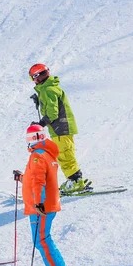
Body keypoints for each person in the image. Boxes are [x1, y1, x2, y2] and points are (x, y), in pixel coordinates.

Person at [13, 124, 69, 266]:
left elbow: (39, 182)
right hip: (45, 205)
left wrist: (38, 203)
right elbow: (34, 179)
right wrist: (22, 178)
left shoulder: (37, 155)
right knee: (43, 239)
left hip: (41, 207)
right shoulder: (46, 154)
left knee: (42, 240)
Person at [29, 63, 91, 194]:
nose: (34, 81)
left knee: (64, 154)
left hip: (60, 127)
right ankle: (73, 179)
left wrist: (42, 123)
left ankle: (76, 181)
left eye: (34, 78)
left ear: (39, 76)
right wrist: (39, 100)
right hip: (61, 127)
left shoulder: (48, 90)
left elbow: (52, 112)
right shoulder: (49, 88)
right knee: (64, 153)